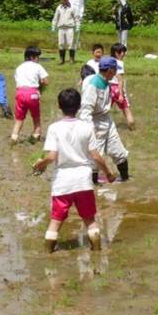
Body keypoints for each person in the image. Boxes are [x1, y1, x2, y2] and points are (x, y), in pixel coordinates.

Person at [33, 88, 115, 252]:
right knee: (90, 220)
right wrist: (108, 173)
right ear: (79, 107)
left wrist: (39, 164)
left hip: (62, 182)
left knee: (55, 220)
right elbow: (96, 156)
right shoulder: (86, 127)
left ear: (59, 106)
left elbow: (51, 156)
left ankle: (48, 253)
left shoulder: (54, 128)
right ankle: (97, 252)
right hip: (83, 181)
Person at [79, 57, 130, 182]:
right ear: (110, 71)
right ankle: (93, 185)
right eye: (114, 71)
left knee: (119, 152)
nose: (116, 74)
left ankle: (126, 180)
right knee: (96, 157)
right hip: (95, 123)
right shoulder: (93, 85)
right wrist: (90, 130)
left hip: (107, 119)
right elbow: (85, 111)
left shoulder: (105, 81)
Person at [11, 46, 48, 143]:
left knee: (19, 119)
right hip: (32, 94)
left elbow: (17, 80)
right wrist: (40, 88)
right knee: (36, 118)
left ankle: (14, 136)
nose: (38, 59)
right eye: (37, 57)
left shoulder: (19, 67)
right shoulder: (37, 66)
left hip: (20, 93)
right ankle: (36, 136)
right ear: (32, 57)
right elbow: (45, 81)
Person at [109, 43, 134, 129]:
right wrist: (121, 94)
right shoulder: (120, 63)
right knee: (126, 108)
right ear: (117, 53)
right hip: (117, 88)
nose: (124, 54)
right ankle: (132, 126)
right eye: (122, 52)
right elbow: (120, 79)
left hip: (108, 88)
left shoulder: (108, 60)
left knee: (105, 109)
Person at [51, 0, 80, 64]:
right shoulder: (59, 8)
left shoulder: (72, 8)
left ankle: (71, 59)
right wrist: (53, 26)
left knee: (71, 44)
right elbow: (55, 18)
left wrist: (77, 27)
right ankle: (61, 60)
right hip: (61, 28)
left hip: (70, 28)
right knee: (61, 44)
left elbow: (76, 18)